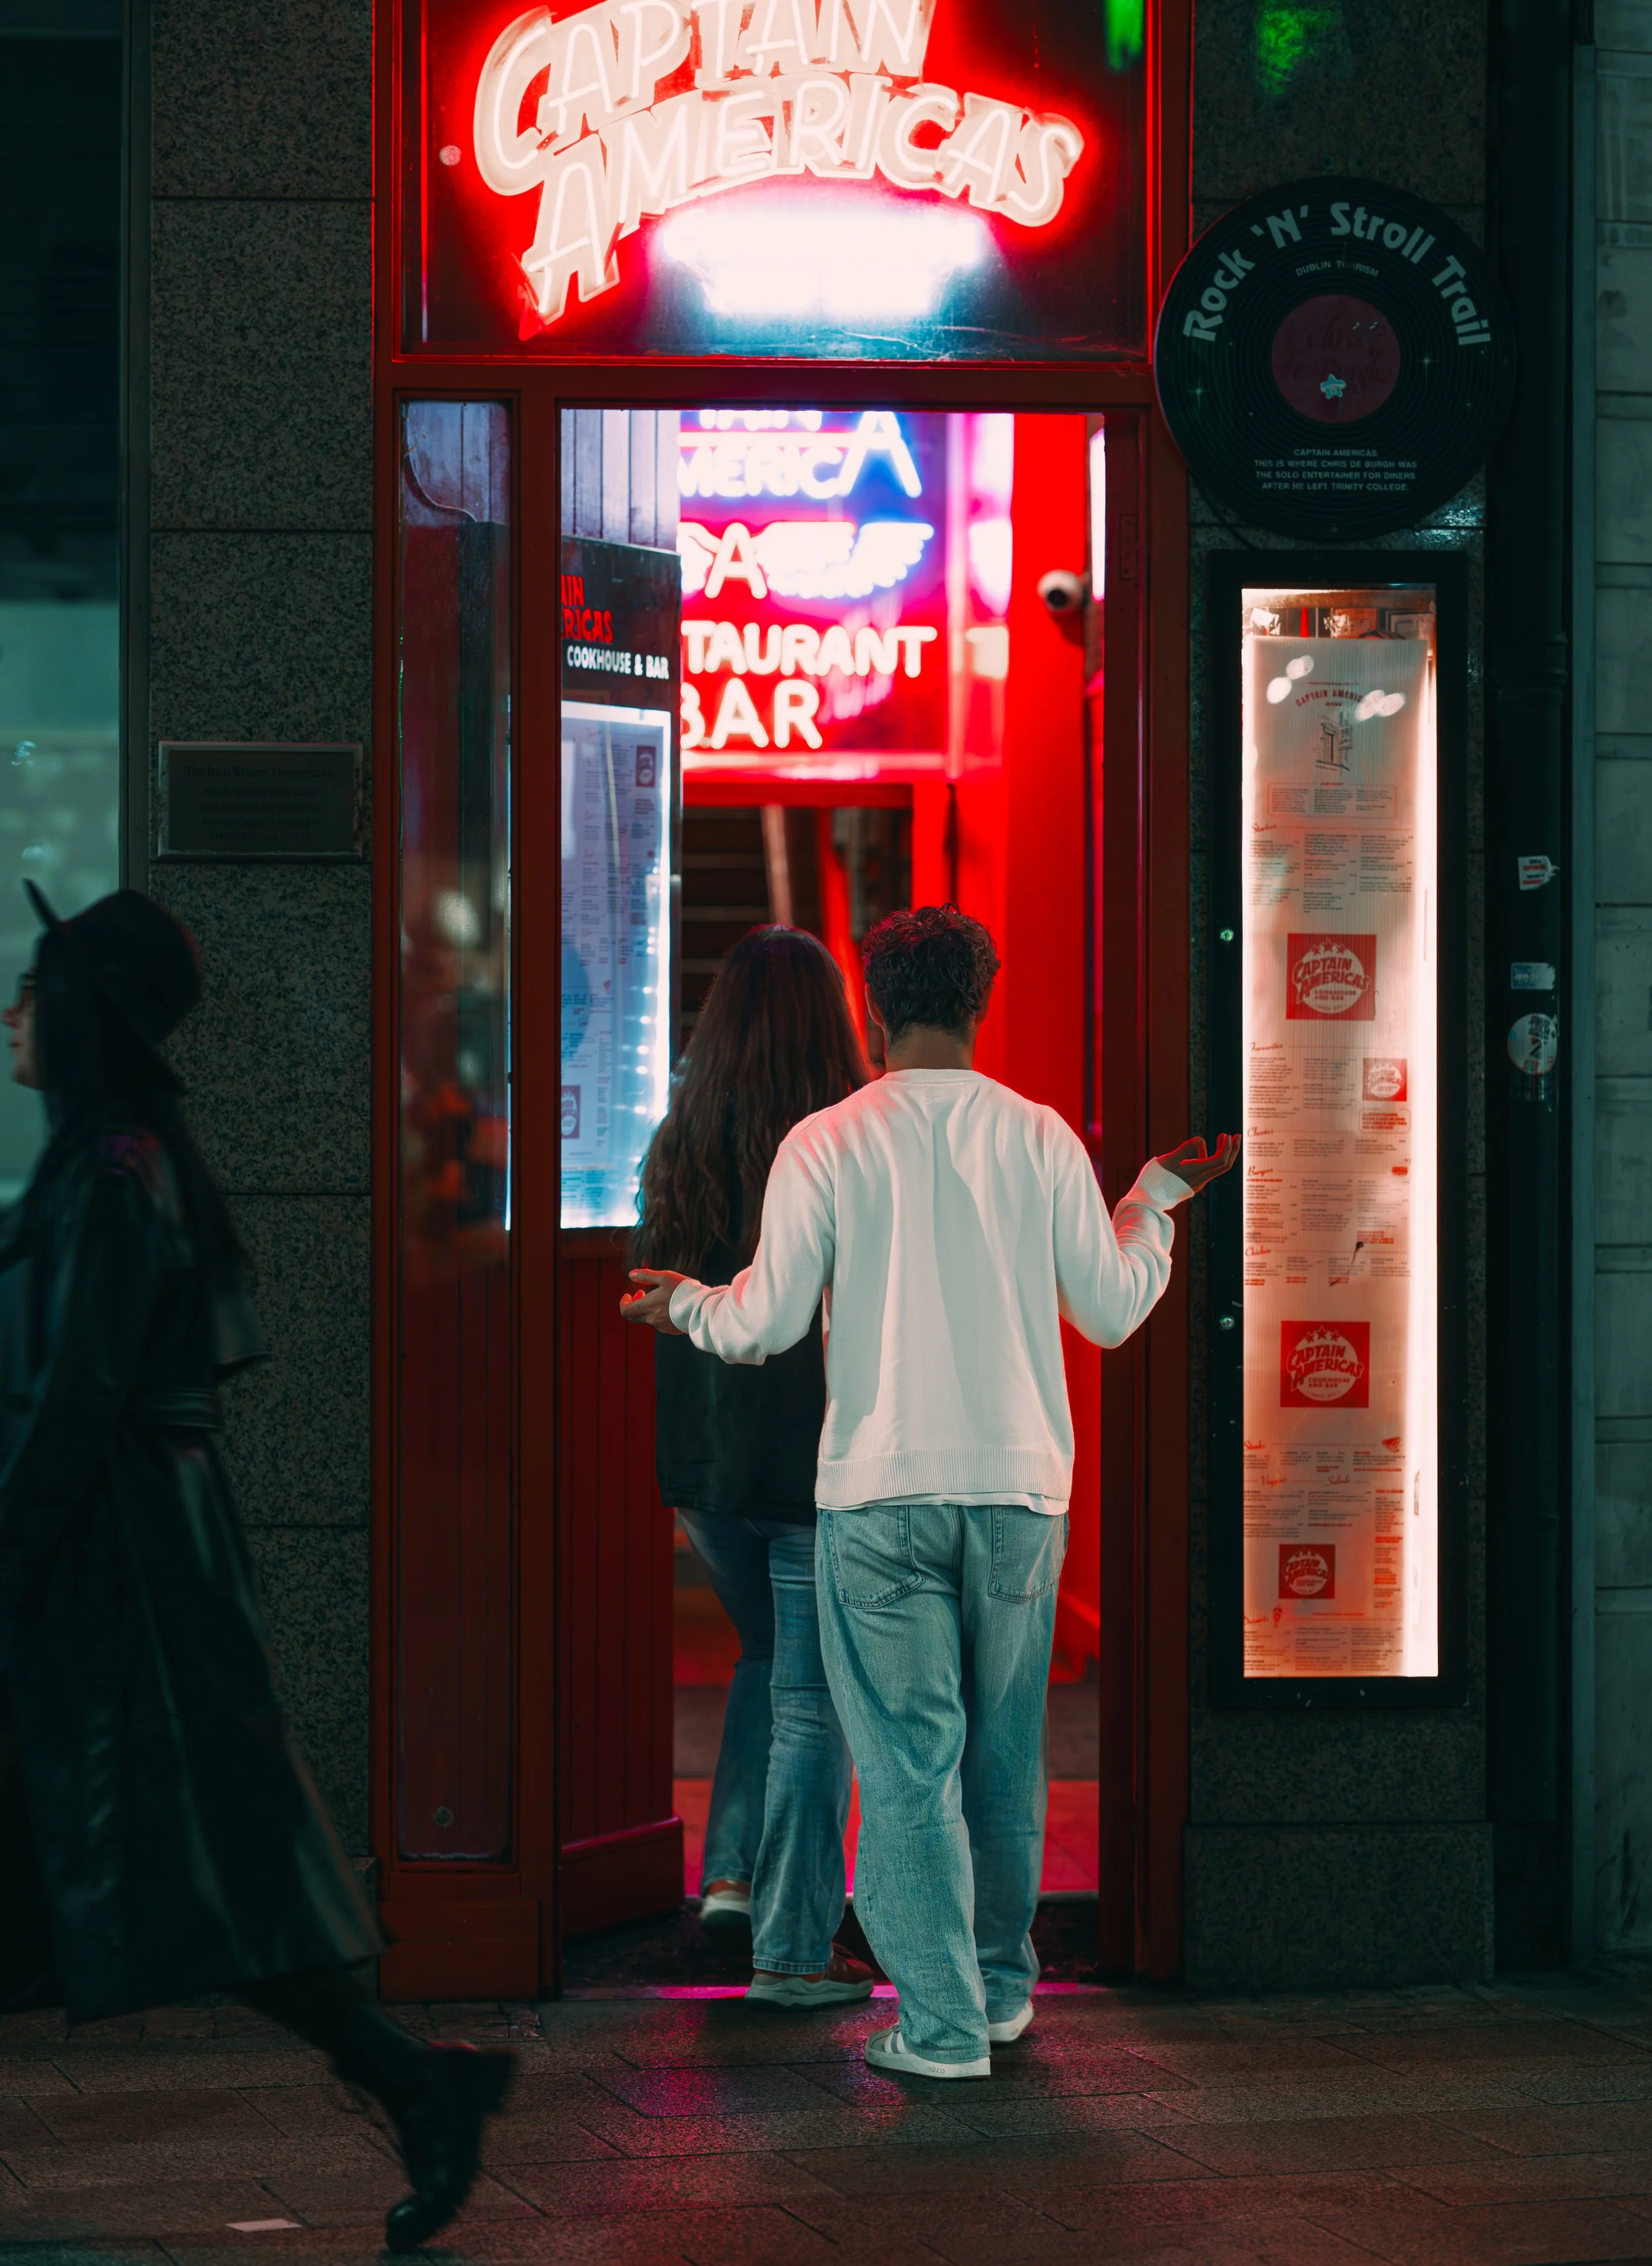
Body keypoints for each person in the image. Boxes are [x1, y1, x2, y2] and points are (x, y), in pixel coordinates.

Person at [622, 903, 1238, 2078]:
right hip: (1018, 1494)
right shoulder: (1042, 1136)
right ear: (981, 1002)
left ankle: (942, 2024)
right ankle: (1003, 1993)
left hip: (879, 1491)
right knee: (1005, 1754)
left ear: (875, 1006)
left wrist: (683, 1305)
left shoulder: (828, 1141)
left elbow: (763, 1320)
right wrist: (1151, 1205)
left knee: (908, 1762)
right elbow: (1109, 1310)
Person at [0, 884, 513, 2250]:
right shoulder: (115, 1159)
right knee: (215, 1865)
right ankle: (419, 2086)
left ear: (80, 1013)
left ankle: (420, 2084)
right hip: (132, 1560)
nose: (12, 1019)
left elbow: (71, 1405)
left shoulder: (111, 1173)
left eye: (32, 993)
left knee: (214, 1862)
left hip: (118, 1577)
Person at [636, 925, 871, 2004]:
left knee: (766, 1655)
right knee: (812, 1682)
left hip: (702, 1459)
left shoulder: (676, 1137)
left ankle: (729, 1875)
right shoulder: (842, 1142)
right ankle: (790, 1910)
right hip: (811, 1455)